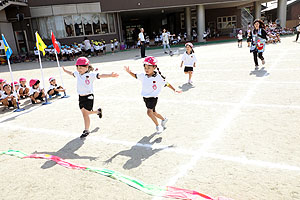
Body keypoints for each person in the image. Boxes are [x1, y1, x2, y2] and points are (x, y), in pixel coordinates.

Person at [62, 57, 119, 138]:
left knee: (86, 113)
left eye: (81, 67)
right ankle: (97, 112)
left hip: (89, 96)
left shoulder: (90, 75)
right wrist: (65, 71)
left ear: (87, 67)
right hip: (81, 97)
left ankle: (86, 130)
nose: (79, 69)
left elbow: (100, 75)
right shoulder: (77, 74)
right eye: (78, 67)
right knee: (85, 113)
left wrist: (110, 75)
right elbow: (71, 73)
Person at [124, 56, 181, 133]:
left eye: (148, 68)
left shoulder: (158, 77)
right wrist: (129, 72)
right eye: (145, 68)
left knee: (149, 112)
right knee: (154, 113)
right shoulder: (143, 75)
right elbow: (135, 76)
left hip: (153, 98)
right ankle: (164, 119)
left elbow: (166, 83)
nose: (146, 69)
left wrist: (174, 89)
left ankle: (158, 126)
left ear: (154, 67)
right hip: (145, 97)